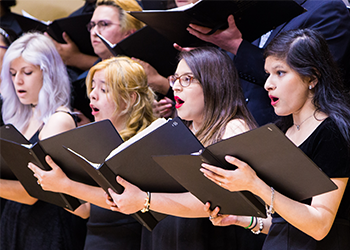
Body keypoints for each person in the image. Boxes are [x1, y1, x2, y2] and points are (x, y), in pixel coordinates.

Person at [201, 29, 350, 250]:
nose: (268, 84)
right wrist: (242, 219)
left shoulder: (332, 131)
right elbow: (288, 220)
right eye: (268, 73)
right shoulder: (281, 131)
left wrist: (254, 185)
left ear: (312, 77)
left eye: (280, 72)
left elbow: (320, 225)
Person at [106, 47, 266, 250]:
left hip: (212, 239)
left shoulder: (233, 128)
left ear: (214, 84)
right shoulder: (176, 129)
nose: (176, 88)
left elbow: (214, 202)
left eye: (187, 79)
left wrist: (144, 200)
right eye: (176, 79)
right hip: (168, 236)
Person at [28, 56, 157, 249]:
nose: (93, 95)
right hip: (95, 241)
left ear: (130, 99)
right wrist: (54, 183)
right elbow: (86, 210)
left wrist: (65, 185)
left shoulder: (145, 143)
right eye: (93, 87)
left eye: (103, 89)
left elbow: (122, 201)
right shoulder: (96, 142)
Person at [185, 0, 350, 125]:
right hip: (240, 123)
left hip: (296, 126)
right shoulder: (251, 8)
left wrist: (236, 45)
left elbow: (309, 77)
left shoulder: (326, 9)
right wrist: (209, 55)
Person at [0, 32, 86, 250]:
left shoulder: (59, 120)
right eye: (12, 73)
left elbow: (33, 193)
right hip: (15, 220)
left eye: (27, 72)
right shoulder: (22, 116)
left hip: (46, 230)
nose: (18, 80)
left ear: (48, 74)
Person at [70, 0, 144, 124]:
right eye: (92, 25)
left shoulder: (147, 73)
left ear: (129, 32)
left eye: (103, 24)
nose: (94, 32)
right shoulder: (80, 84)